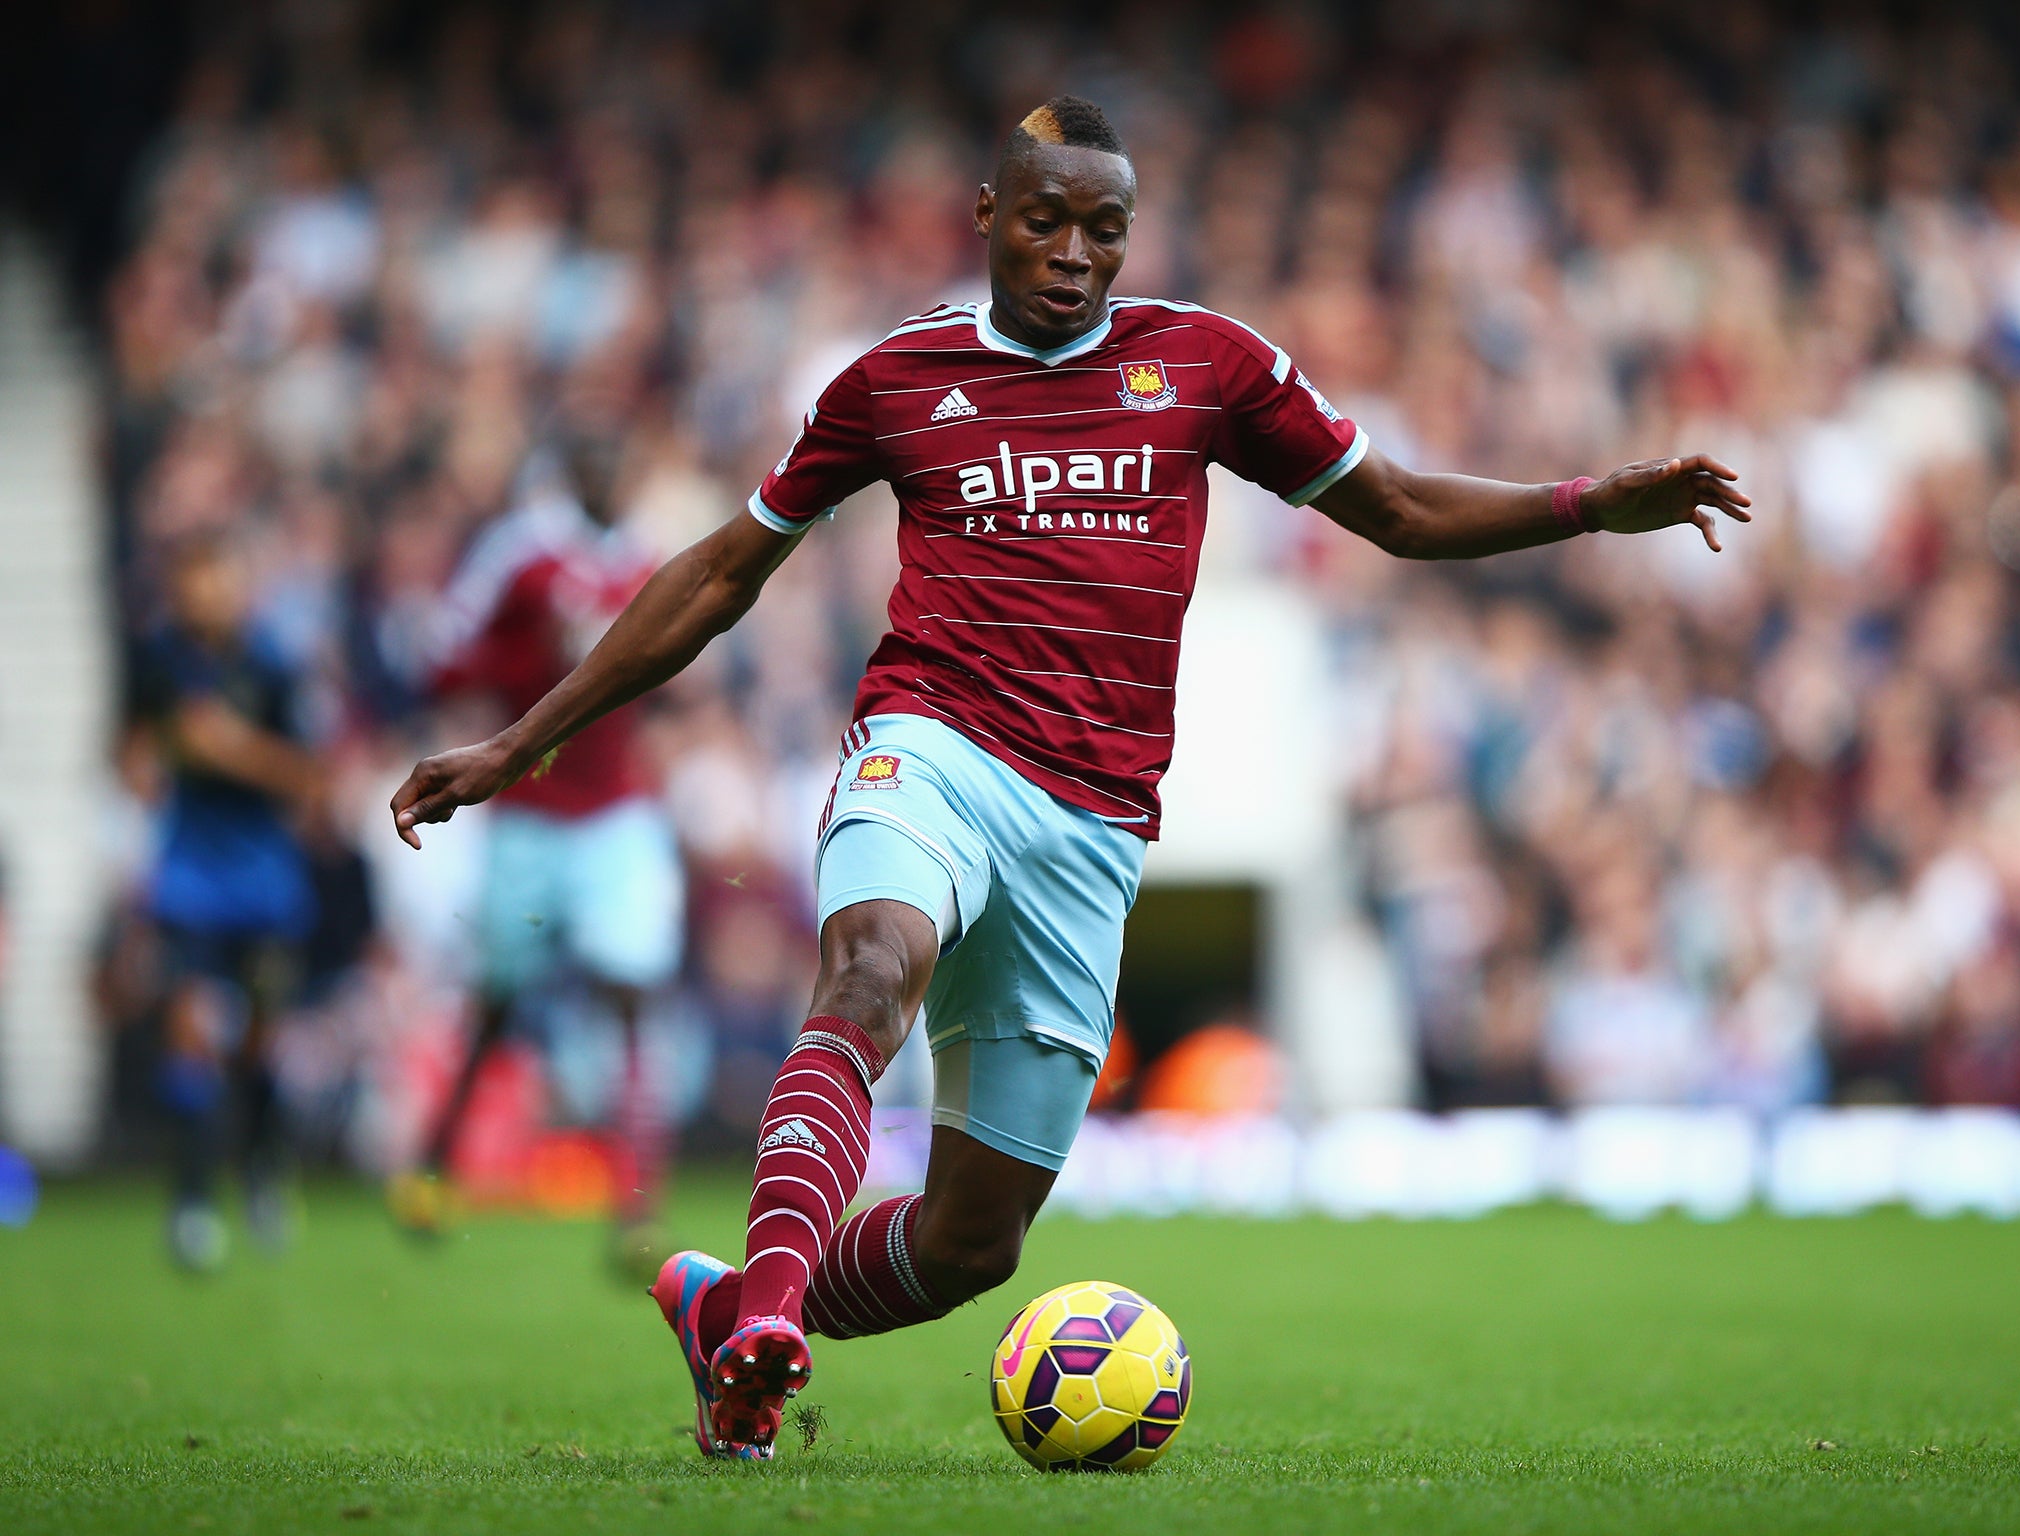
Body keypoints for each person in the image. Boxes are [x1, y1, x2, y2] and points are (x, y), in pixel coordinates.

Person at [389, 96, 1750, 1456]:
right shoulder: (894, 382)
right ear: (989, 215)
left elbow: (1394, 511)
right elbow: (718, 575)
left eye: (1105, 229)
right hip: (926, 745)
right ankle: (770, 1332)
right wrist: (526, 739)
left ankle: (729, 1310)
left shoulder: (1209, 366)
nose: (1075, 254)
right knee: (868, 969)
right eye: (1046, 221)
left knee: (973, 1242)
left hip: (1091, 824)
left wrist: (1585, 505)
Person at [385, 422, 684, 1278]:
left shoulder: (645, 556)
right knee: (497, 998)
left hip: (618, 810)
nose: (605, 478)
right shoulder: (522, 553)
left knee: (633, 989)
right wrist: (522, 658)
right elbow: (443, 655)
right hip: (527, 811)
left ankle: (638, 1202)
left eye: (613, 463)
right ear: (567, 474)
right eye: (590, 462)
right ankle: (433, 1167)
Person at [138, 530, 324, 1270]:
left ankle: (261, 1171)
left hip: (263, 881)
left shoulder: (273, 666)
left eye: (214, 576)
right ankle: (189, 1202)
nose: (202, 593)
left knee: (258, 1041)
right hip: (188, 876)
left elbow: (310, 773)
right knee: (188, 1030)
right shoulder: (158, 661)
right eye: (191, 579)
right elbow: (139, 746)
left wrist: (231, 750)